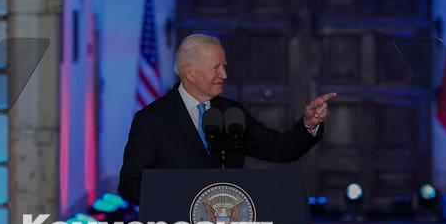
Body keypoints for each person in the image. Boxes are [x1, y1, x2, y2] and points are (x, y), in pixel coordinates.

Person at [118, 33, 336, 204]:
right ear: (190, 72)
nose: (224, 74)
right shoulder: (151, 119)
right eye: (216, 68)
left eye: (224, 67)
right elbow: (130, 185)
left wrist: (309, 125)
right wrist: (178, 195)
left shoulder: (233, 113)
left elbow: (281, 149)